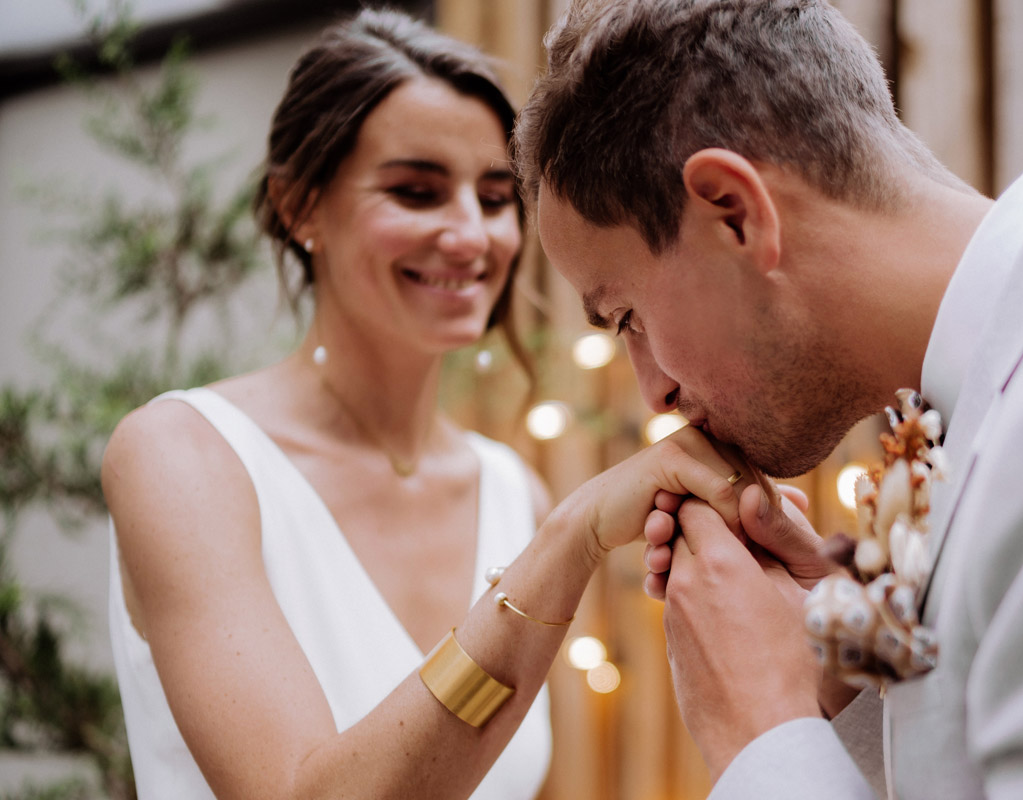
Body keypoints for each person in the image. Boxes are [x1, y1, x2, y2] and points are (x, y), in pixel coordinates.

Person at [513, 0, 1023, 798]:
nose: (654, 392)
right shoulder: (990, 395)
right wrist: (849, 693)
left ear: (733, 213)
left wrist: (762, 731)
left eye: (628, 317)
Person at [102, 9, 760, 799]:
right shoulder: (183, 455)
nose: (468, 235)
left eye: (492, 197)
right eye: (416, 192)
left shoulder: (507, 487)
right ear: (298, 206)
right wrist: (569, 541)